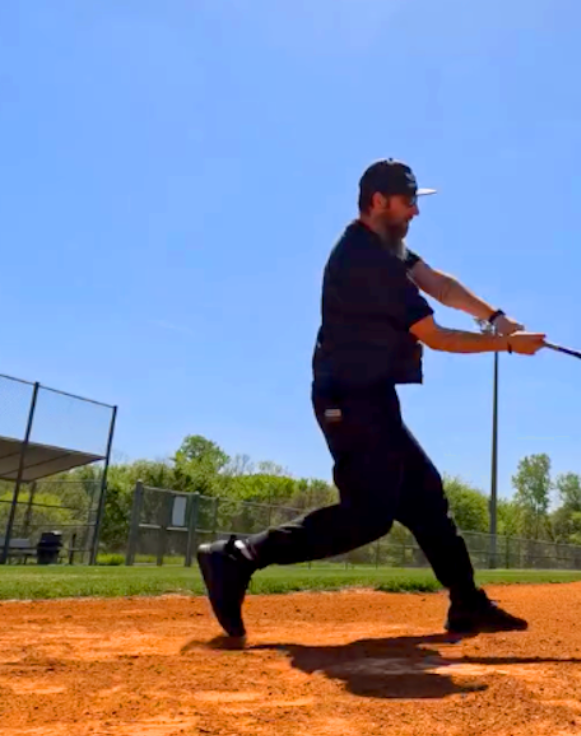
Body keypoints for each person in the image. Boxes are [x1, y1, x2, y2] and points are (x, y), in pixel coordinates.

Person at [196, 158, 546, 640]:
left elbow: (439, 283)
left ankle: (466, 602)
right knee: (369, 514)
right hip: (347, 398)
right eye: (408, 203)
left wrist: (497, 317)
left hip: (371, 394)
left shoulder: (386, 247)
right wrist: (505, 344)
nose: (415, 213)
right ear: (378, 201)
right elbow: (436, 336)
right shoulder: (367, 261)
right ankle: (240, 555)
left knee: (424, 494)